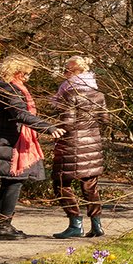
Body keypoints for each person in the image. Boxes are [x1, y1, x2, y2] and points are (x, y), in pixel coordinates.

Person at [0, 54, 61, 241]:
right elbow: (20, 114)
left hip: (3, 140)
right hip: (8, 143)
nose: (27, 78)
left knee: (10, 182)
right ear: (16, 71)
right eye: (26, 74)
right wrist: (48, 127)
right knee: (14, 181)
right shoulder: (8, 89)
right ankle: (3, 227)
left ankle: (4, 225)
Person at [49, 55, 107, 238]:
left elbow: (68, 122)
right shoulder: (98, 93)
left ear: (76, 71)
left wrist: (53, 131)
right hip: (92, 145)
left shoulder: (69, 92)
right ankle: (97, 225)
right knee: (90, 185)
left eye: (67, 69)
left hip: (71, 146)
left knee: (61, 183)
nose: (64, 73)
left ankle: (75, 224)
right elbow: (105, 120)